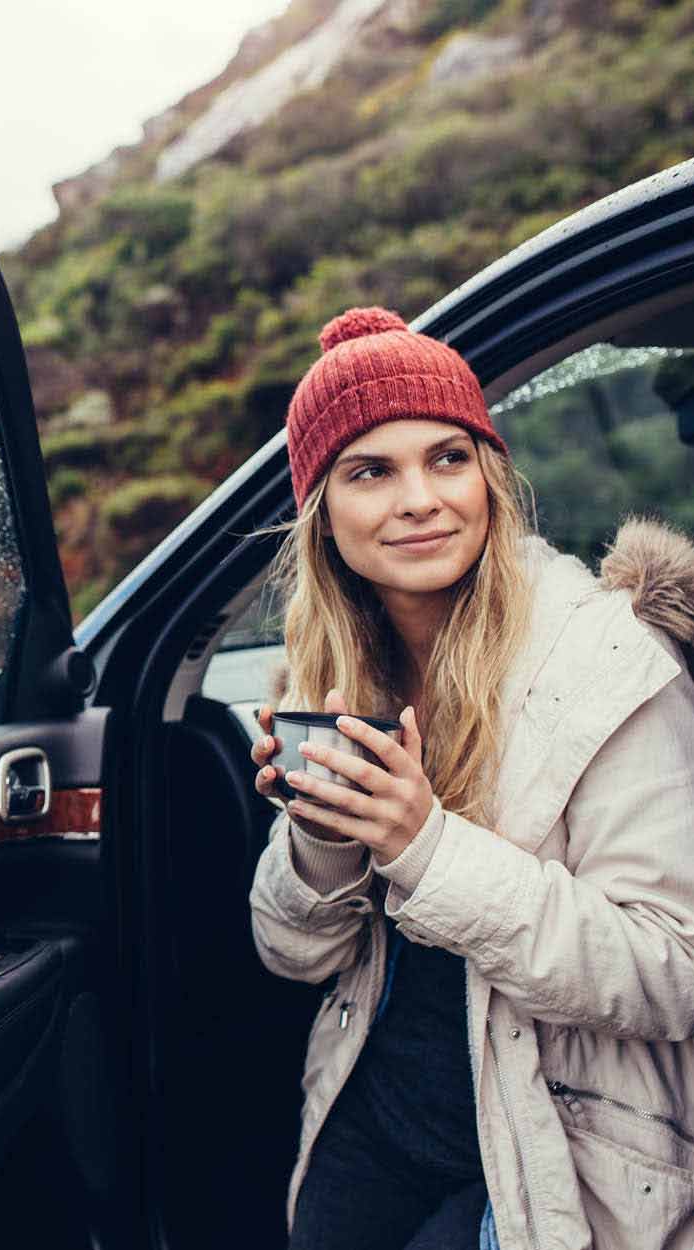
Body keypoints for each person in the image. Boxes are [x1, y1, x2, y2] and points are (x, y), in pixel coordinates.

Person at [247, 306, 694, 1250]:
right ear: (323, 509)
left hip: (554, 1146)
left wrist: (425, 847)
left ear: (488, 477)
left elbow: (670, 971)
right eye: (371, 471)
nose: (420, 499)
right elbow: (291, 955)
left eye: (448, 458)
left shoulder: (606, 660)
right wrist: (324, 837)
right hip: (369, 1110)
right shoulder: (327, 676)